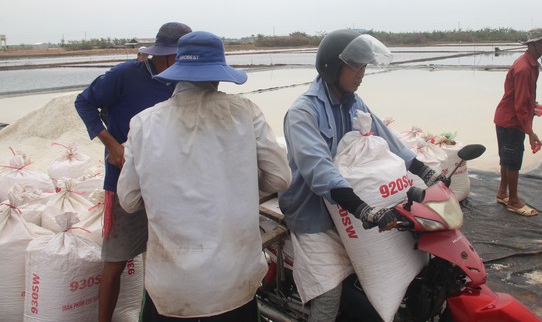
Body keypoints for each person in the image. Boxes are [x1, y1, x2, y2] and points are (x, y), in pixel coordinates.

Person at [117, 31, 291, 321]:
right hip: (233, 282)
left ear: (176, 72)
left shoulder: (143, 123)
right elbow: (279, 179)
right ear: (218, 75)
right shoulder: (245, 113)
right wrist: (240, 179)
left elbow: (129, 199)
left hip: (171, 288)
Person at [278, 29, 446, 321]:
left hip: (349, 210)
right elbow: (319, 171)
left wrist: (426, 172)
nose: (362, 73)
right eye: (355, 66)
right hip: (314, 215)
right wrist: (364, 210)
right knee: (329, 294)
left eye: (364, 67)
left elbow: (388, 140)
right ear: (332, 66)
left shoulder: (354, 103)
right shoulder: (303, 113)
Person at [75, 21, 192, 322]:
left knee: (159, 260)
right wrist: (112, 146)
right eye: (178, 56)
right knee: (114, 261)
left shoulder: (183, 82)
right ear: (163, 55)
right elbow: (84, 103)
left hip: (166, 186)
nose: (182, 63)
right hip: (124, 179)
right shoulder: (124, 76)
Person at [494, 32, 542, 216]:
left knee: (507, 158)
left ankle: (502, 193)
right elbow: (520, 105)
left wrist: (534, 106)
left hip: (506, 117)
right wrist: (530, 133)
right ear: (531, 45)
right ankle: (513, 201)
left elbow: (522, 98)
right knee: (513, 161)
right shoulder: (524, 68)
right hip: (511, 121)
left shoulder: (529, 65)